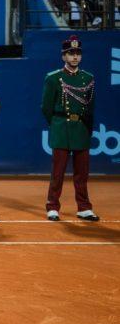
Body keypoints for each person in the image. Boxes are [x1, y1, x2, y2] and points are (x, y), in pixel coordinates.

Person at [41, 37, 98, 222]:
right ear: (63, 56)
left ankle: (84, 207)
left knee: (82, 172)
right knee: (58, 172)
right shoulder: (53, 78)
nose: (74, 57)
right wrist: (56, 124)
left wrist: (86, 128)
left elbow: (90, 107)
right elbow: (46, 107)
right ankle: (52, 206)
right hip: (61, 127)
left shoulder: (88, 78)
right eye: (70, 53)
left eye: (77, 53)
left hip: (80, 127)